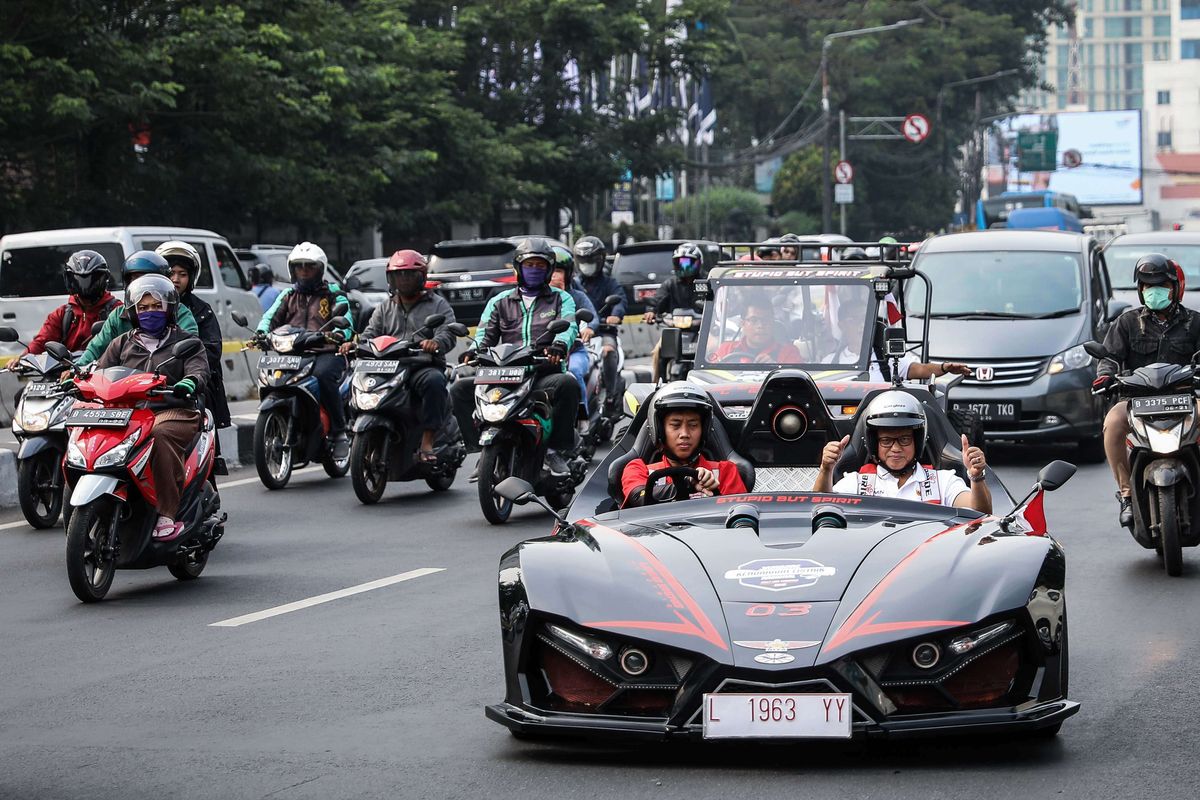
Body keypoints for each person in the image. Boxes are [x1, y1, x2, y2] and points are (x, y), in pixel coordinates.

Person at [89, 275, 210, 539]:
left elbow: (199, 372)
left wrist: (189, 382)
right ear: (133, 311)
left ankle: (167, 514)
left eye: (157, 306)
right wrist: (80, 383)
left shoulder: (186, 342)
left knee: (158, 435)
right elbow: (99, 373)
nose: (150, 313)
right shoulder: (121, 343)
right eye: (143, 308)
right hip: (129, 415)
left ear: (169, 308)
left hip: (174, 411)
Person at [450, 236, 579, 476]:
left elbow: (569, 327)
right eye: (530, 265)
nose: (534, 271)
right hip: (504, 373)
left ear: (549, 270)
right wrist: (473, 350)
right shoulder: (499, 301)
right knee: (459, 389)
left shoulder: (562, 299)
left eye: (540, 266)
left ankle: (555, 450)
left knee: (568, 384)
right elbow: (484, 333)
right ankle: (481, 450)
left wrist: (559, 347)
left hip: (541, 372)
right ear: (519, 268)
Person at [1094, 253, 1200, 527]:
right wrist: (1105, 376)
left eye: (1161, 286)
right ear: (1140, 291)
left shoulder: (1194, 322)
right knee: (1113, 424)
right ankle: (1127, 494)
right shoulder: (1127, 323)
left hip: (1186, 400)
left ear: (1175, 288)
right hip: (1137, 402)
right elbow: (1109, 357)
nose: (1155, 292)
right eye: (1148, 287)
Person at [340, 250, 457, 462]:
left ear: (421, 276)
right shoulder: (385, 307)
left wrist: (435, 343)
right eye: (399, 275)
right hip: (386, 366)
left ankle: (427, 441)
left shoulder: (437, 304)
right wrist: (354, 345)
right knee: (351, 384)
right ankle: (352, 431)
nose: (403, 280)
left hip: (420, 365)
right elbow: (369, 334)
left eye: (409, 274)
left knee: (434, 381)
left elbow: (447, 331)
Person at [813, 390, 991, 513]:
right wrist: (826, 469)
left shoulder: (943, 481)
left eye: (904, 439)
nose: (896, 448)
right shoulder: (856, 483)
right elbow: (819, 510)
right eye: (886, 441)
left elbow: (981, 513)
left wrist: (977, 477)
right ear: (874, 444)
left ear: (918, 441)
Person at [257, 242, 354, 460]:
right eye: (299, 266)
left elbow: (346, 319)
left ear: (320, 269)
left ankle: (339, 433)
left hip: (326, 351)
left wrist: (340, 333)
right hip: (293, 353)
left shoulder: (333, 293)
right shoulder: (287, 295)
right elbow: (269, 318)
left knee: (323, 376)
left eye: (309, 266)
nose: (304, 271)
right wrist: (260, 334)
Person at [621, 382, 747, 507]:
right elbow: (639, 497)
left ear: (704, 430)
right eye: (675, 425)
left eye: (693, 425)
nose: (685, 434)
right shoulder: (637, 469)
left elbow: (740, 515)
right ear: (659, 429)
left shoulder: (725, 472)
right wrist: (688, 483)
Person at [156, 241, 231, 430]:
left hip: (192, 380)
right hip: (152, 380)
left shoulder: (202, 311)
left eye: (182, 274)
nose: (176, 279)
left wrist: (188, 372)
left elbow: (211, 350)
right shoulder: (144, 307)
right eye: (171, 273)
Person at [79, 251, 199, 365]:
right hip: (123, 382)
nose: (142, 284)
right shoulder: (119, 315)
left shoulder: (180, 313)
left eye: (148, 278)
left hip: (167, 380)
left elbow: (191, 350)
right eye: (136, 278)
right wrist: (76, 371)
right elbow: (95, 350)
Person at [823, 291, 971, 382]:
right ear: (841, 325)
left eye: (864, 320)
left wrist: (944, 367)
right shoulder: (829, 363)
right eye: (854, 320)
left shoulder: (887, 359)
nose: (861, 325)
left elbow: (920, 370)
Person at [18, 250, 122, 358]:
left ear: (103, 279)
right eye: (79, 280)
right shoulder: (63, 314)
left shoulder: (117, 311)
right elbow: (42, 341)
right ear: (70, 280)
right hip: (67, 371)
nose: (84, 286)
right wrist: (23, 357)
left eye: (90, 280)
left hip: (105, 371)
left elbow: (128, 344)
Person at [573, 235, 628, 414]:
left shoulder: (610, 283)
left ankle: (611, 393)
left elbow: (620, 301)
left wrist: (615, 315)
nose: (586, 264)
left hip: (603, 333)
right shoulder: (574, 284)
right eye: (583, 260)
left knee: (608, 352)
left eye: (591, 260)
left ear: (600, 260)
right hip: (579, 333)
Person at [644, 242, 704, 381]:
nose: (684, 267)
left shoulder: (706, 282)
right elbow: (658, 299)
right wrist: (651, 311)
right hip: (675, 331)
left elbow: (719, 302)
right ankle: (655, 387)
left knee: (714, 352)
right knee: (657, 352)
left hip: (702, 331)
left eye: (688, 263)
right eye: (680, 263)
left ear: (698, 263)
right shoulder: (669, 284)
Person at [549, 245, 597, 418]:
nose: (554, 276)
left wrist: (590, 328)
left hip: (574, 350)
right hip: (545, 354)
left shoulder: (576, 297)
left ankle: (581, 413)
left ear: (567, 274)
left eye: (558, 271)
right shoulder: (538, 299)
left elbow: (593, 315)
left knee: (574, 372)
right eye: (550, 271)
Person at [712, 299, 804, 363]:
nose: (760, 326)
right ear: (742, 323)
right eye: (753, 320)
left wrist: (775, 368)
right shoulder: (726, 349)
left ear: (773, 323)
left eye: (766, 320)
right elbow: (711, 376)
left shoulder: (789, 352)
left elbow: (794, 383)